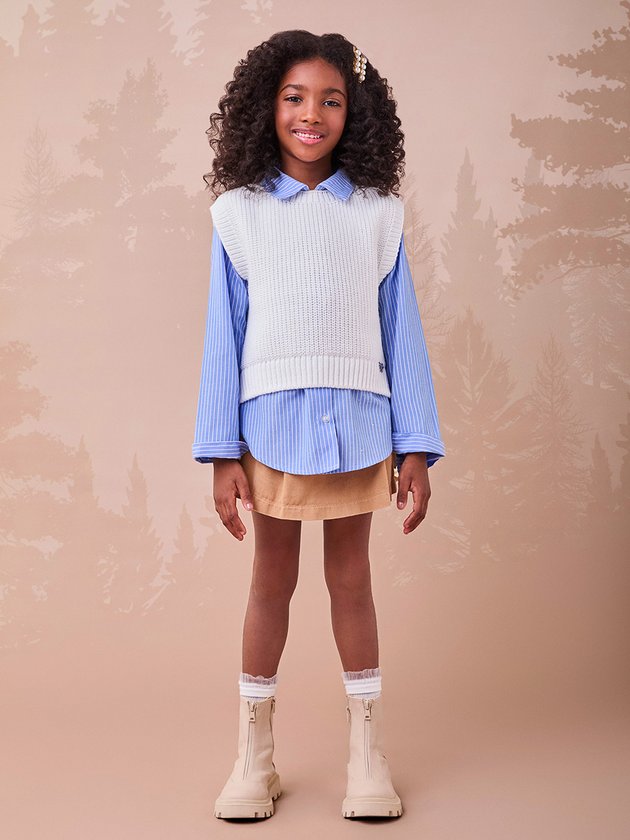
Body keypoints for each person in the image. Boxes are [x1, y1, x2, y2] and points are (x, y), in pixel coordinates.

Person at [192, 30, 446, 821]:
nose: (312, 114)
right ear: (266, 106)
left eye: (331, 100)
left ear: (353, 111)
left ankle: (367, 758)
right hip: (268, 425)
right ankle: (254, 757)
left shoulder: (378, 215)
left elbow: (401, 329)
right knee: (271, 581)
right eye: (295, 98)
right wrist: (221, 453)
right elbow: (223, 335)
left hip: (362, 422)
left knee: (352, 581)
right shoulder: (239, 215)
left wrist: (416, 444)